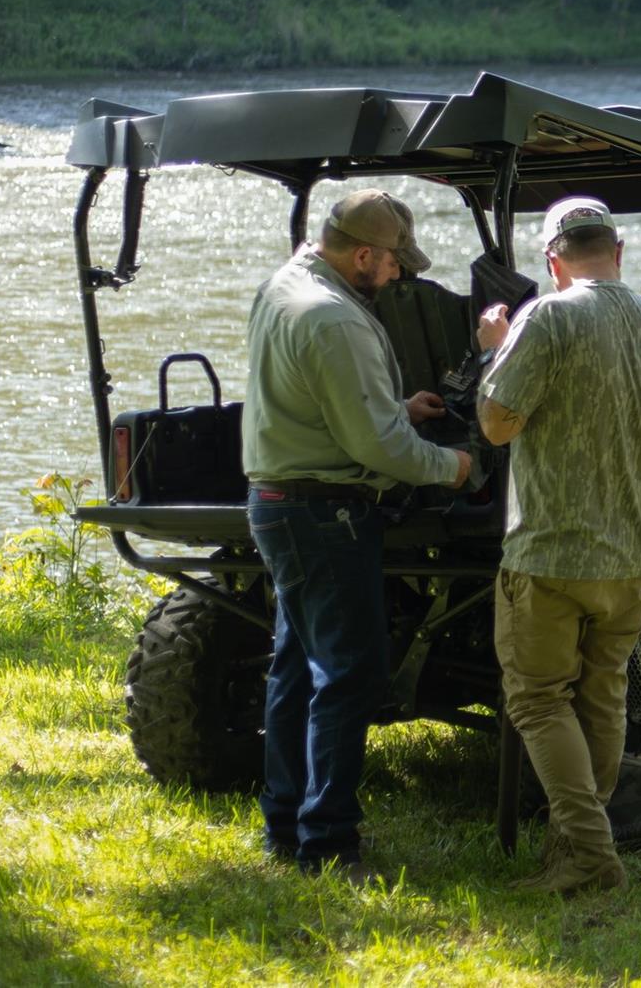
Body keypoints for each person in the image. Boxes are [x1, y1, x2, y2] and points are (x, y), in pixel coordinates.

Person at [243, 188, 473, 884]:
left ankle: (283, 825)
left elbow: (319, 400)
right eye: (395, 263)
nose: (400, 275)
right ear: (365, 255)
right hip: (326, 513)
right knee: (350, 674)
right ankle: (328, 844)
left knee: (295, 667)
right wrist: (455, 466)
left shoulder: (285, 285)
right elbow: (378, 448)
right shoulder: (336, 317)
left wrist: (395, 407)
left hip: (279, 501)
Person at [475, 195, 641, 894]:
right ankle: (575, 849)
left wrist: (497, 350)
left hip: (550, 554)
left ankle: (592, 855)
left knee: (540, 701)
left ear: (553, 261)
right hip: (631, 557)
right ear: (618, 252)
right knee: (603, 699)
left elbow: (497, 425)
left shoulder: (545, 317)